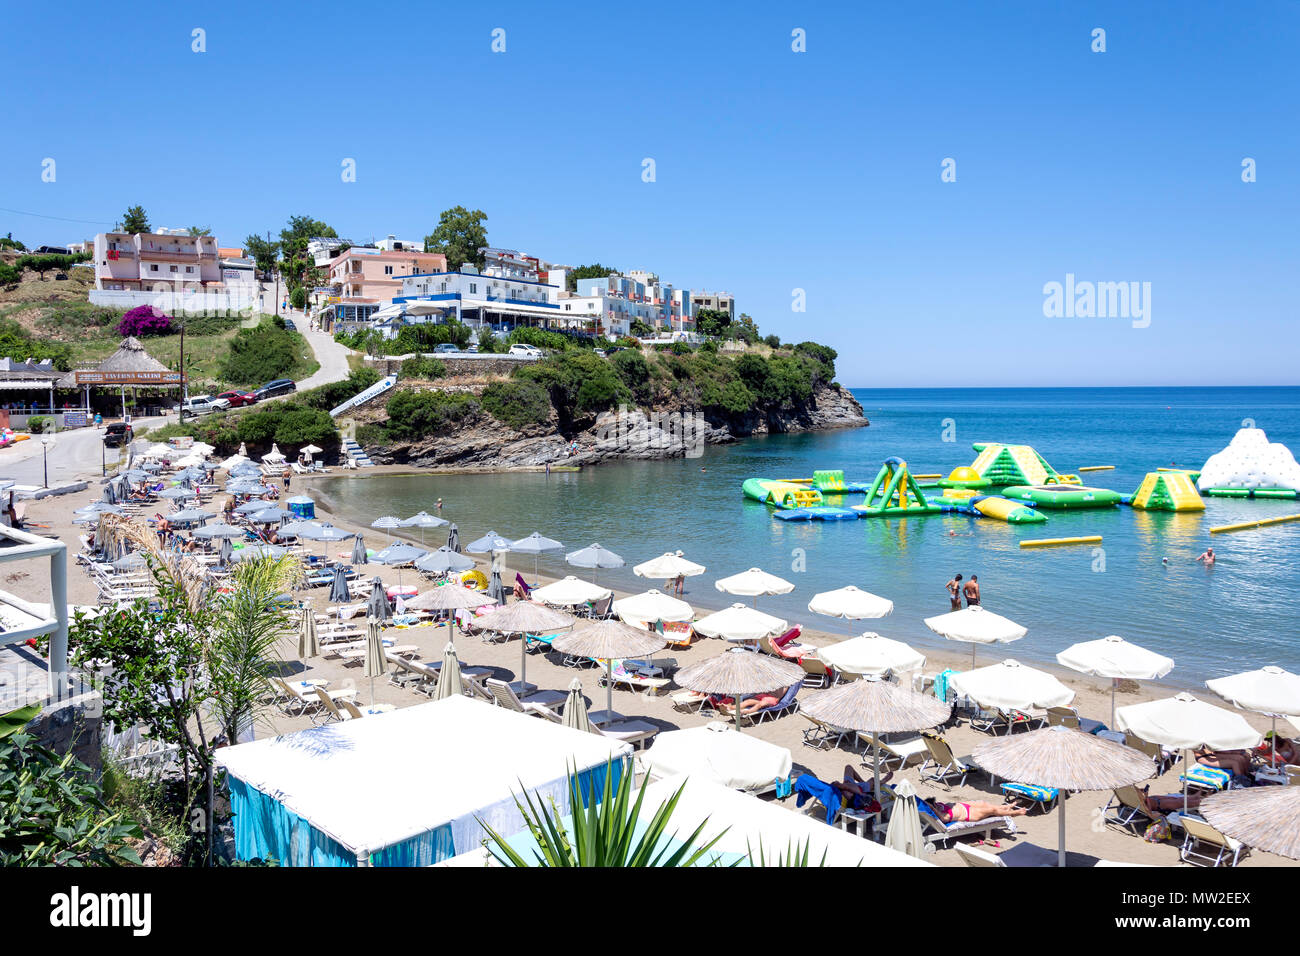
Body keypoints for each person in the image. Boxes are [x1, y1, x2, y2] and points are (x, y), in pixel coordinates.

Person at [930, 796, 1027, 823]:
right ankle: (1013, 813)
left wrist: (934, 805)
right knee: (991, 811)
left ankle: (1006, 807)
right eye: (934, 805)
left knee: (986, 804)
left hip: (965, 805)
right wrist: (933, 809)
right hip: (969, 814)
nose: (936, 804)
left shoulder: (939, 805)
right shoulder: (942, 815)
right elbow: (944, 820)